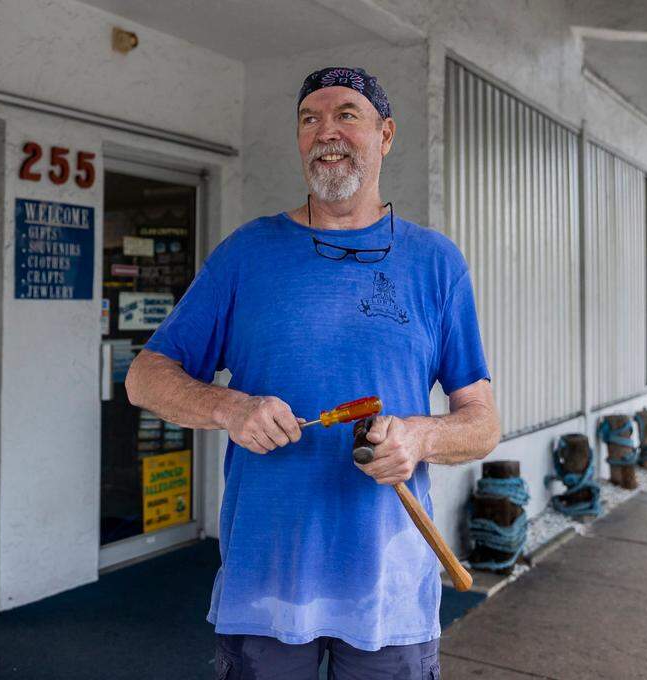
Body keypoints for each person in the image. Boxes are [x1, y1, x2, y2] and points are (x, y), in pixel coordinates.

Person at [125, 66, 501, 679]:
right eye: (310, 119)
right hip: (266, 584)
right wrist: (229, 407)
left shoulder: (436, 263)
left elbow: (482, 424)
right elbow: (145, 377)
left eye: (346, 114)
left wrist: (418, 437)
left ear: (385, 134)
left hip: (389, 590)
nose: (326, 131)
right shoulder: (248, 253)